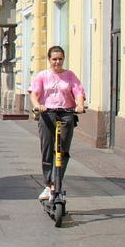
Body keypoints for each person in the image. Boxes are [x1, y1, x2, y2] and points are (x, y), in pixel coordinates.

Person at [29, 46, 85, 202]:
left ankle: (57, 183)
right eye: (54, 59)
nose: (57, 62)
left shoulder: (69, 75)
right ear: (49, 60)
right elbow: (34, 93)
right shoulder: (43, 75)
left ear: (63, 59)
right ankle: (49, 184)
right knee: (47, 150)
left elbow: (78, 91)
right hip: (47, 114)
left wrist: (79, 105)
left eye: (60, 59)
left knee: (63, 151)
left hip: (66, 114)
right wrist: (37, 105)